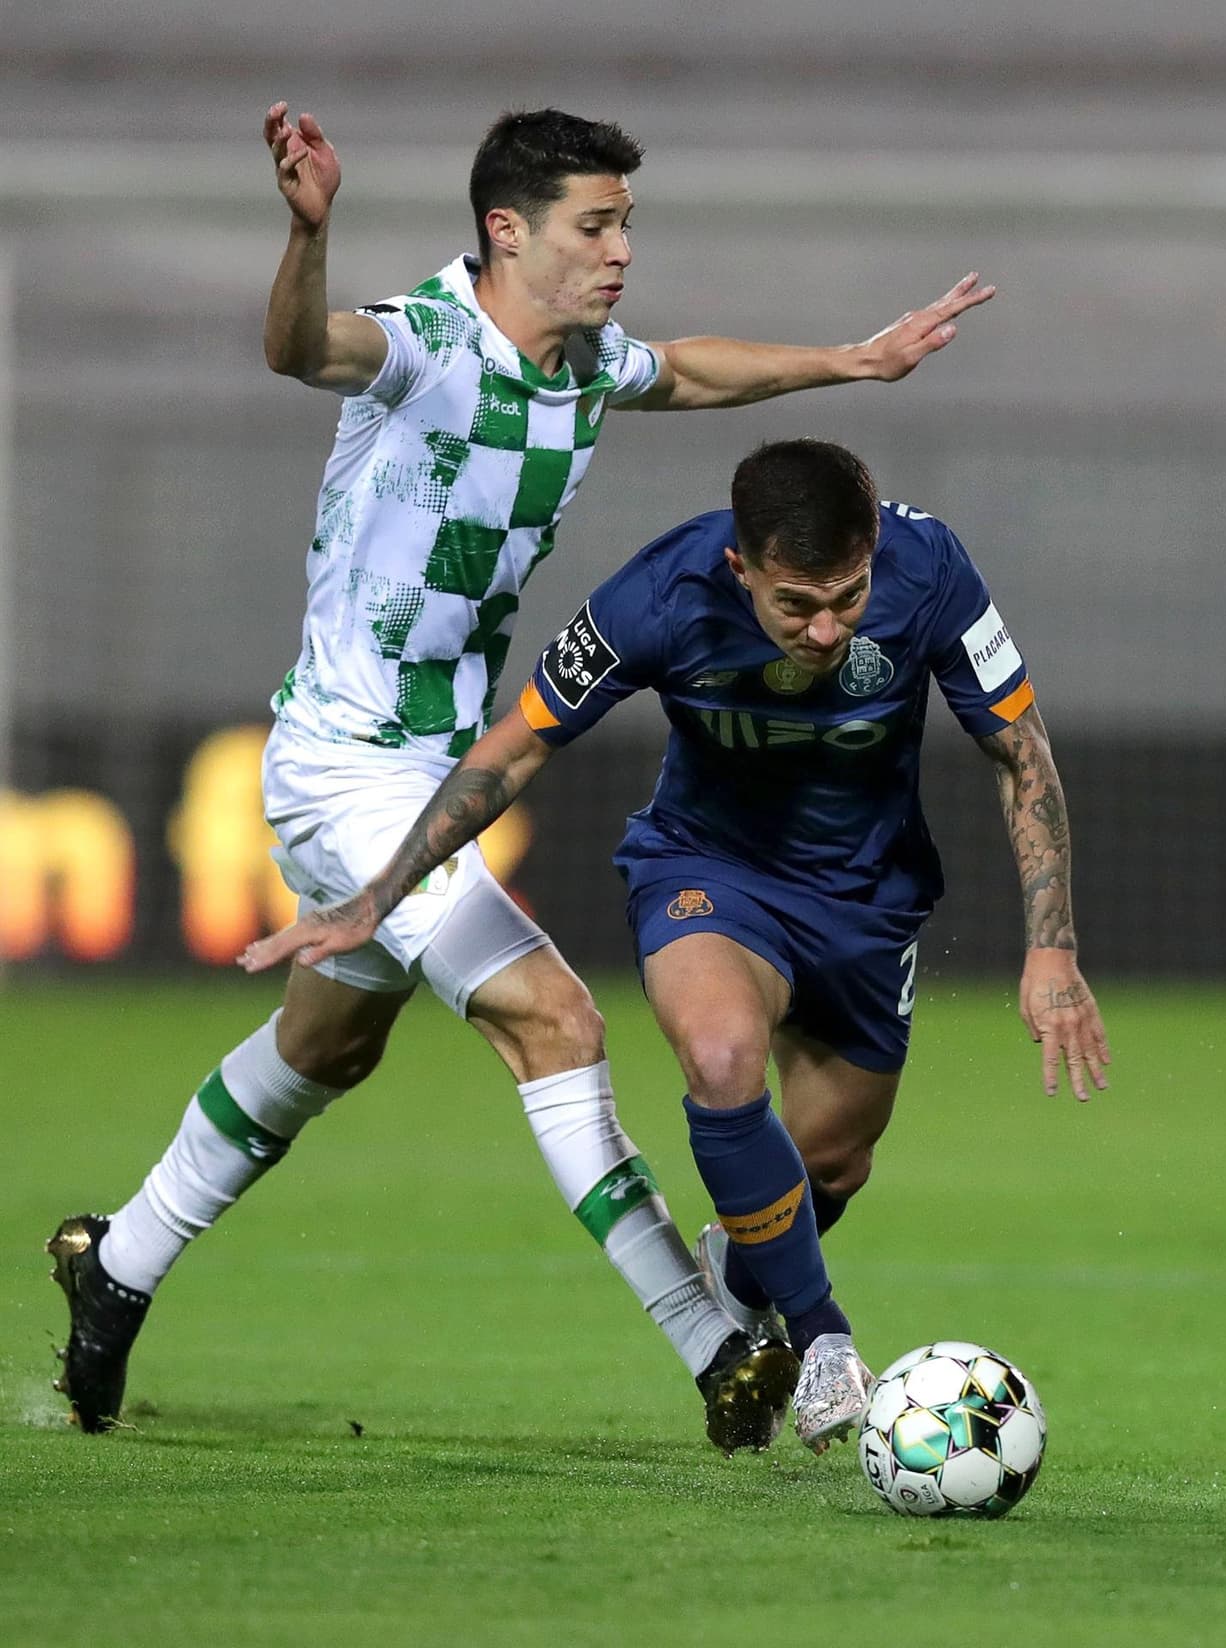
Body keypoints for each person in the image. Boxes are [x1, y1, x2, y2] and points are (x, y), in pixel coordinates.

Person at [47, 104, 996, 1451]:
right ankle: (717, 1343)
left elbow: (696, 374)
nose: (619, 252)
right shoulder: (427, 340)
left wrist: (851, 362)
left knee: (327, 1047)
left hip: (435, 767)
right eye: (594, 226)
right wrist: (306, 236)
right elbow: (302, 347)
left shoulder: (582, 365)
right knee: (557, 1022)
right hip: (348, 765)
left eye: (625, 226)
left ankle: (119, 1261)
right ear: (508, 230)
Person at [241, 438, 1111, 1452]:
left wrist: (1050, 948)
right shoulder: (660, 593)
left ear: (873, 551)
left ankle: (744, 1272)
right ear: (739, 567)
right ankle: (822, 1339)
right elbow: (514, 747)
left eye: (848, 596)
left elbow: (1019, 750)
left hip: (866, 902)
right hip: (708, 871)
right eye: (796, 605)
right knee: (719, 1057)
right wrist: (378, 893)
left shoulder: (932, 569)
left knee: (833, 1155)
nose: (826, 629)